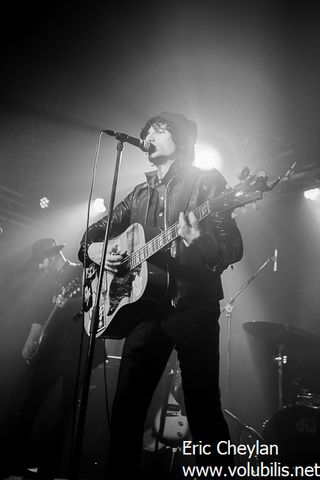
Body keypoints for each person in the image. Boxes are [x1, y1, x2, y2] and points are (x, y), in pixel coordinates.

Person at [78, 112, 243, 479]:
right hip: (145, 312)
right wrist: (93, 252)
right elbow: (92, 234)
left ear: (180, 139)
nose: (148, 136)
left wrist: (203, 242)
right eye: (145, 132)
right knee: (125, 412)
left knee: (202, 411)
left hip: (192, 307)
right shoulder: (139, 193)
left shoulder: (207, 182)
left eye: (158, 130)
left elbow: (232, 247)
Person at [5, 238, 85, 480]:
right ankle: (11, 464)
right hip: (49, 352)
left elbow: (91, 303)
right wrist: (31, 338)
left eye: (42, 262)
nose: (40, 267)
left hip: (75, 351)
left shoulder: (81, 272)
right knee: (30, 404)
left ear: (53, 256)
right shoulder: (46, 281)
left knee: (66, 412)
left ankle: (50, 469)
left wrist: (69, 304)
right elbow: (40, 312)